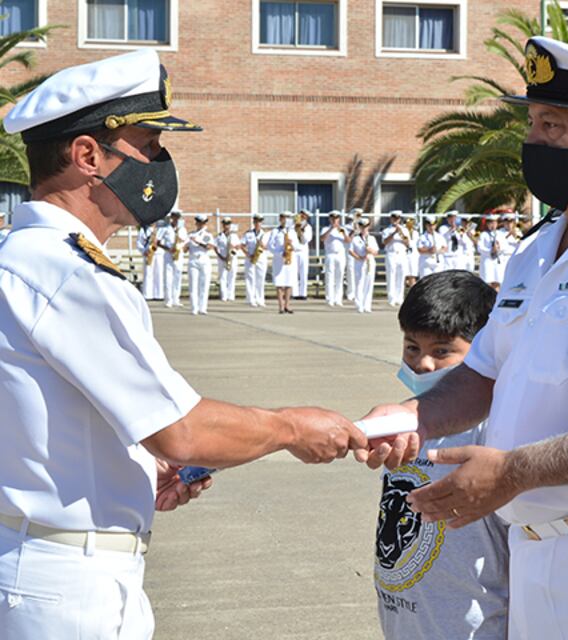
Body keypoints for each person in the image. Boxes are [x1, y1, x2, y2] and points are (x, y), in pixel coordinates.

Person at [0, 49, 369, 639]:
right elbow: (184, 430)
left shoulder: (17, 257)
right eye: (148, 145)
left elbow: (44, 422)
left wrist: (134, 471)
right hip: (69, 585)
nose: (158, 163)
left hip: (31, 558)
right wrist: (292, 428)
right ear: (89, 156)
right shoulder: (72, 275)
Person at [363, 37, 568, 640]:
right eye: (532, 123)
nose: (532, 142)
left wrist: (514, 471)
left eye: (552, 125)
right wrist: (411, 415)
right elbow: (483, 375)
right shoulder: (536, 249)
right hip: (530, 555)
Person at [375, 270, 509, 639]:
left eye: (442, 351)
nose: (423, 364)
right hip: (407, 622)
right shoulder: (406, 421)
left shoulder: (491, 431)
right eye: (412, 347)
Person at [269, 210, 300, 314]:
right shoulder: (275, 231)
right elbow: (270, 246)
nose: (286, 220)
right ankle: (280, 306)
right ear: (280, 219)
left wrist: (291, 245)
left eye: (288, 218)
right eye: (284, 218)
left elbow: (298, 246)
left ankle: (287, 305)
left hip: (290, 259)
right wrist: (279, 253)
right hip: (279, 259)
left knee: (289, 282)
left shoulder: (292, 232)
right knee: (279, 283)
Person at [186, 214, 215, 315]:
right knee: (193, 285)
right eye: (199, 223)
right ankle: (194, 307)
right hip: (193, 260)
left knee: (204, 285)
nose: (201, 225)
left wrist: (198, 242)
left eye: (203, 223)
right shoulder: (190, 235)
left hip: (204, 259)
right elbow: (185, 249)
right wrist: (185, 244)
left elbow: (209, 247)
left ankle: (203, 307)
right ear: (196, 223)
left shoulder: (208, 235)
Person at [159, 209, 188, 308]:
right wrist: (168, 249)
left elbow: (185, 242)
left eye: (178, 218)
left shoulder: (182, 229)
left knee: (177, 277)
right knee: (168, 277)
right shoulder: (165, 228)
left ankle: (176, 299)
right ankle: (168, 300)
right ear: (171, 218)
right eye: (174, 217)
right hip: (168, 254)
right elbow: (158, 242)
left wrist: (182, 246)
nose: (176, 219)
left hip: (179, 255)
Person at [349, 217, 379, 313]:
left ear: (368, 227)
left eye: (365, 226)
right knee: (359, 283)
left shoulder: (372, 238)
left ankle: (367, 305)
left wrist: (371, 250)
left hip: (370, 260)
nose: (364, 228)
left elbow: (376, 252)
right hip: (360, 261)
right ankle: (359, 305)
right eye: (362, 226)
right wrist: (358, 257)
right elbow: (350, 250)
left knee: (369, 283)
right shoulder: (356, 238)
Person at [320, 210, 349, 307]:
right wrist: (331, 229)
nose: (334, 220)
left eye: (336, 218)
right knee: (329, 277)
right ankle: (329, 299)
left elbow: (348, 240)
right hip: (330, 254)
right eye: (333, 219)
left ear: (339, 219)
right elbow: (322, 238)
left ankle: (338, 299)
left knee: (340, 277)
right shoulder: (325, 229)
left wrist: (343, 232)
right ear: (330, 219)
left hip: (340, 255)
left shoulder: (342, 229)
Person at [382, 210, 410, 306]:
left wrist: (402, 234)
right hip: (391, 254)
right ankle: (391, 298)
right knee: (391, 276)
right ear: (391, 219)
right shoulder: (386, 230)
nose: (395, 220)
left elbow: (408, 243)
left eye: (397, 218)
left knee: (401, 276)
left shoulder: (405, 230)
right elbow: (385, 242)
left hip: (402, 254)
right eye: (394, 218)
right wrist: (394, 233)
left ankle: (399, 297)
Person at [243, 213, 268, 307]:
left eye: (260, 222)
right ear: (253, 222)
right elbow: (242, 245)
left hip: (261, 257)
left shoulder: (265, 234)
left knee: (260, 279)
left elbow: (267, 247)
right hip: (250, 257)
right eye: (256, 222)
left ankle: (260, 299)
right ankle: (250, 299)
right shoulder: (248, 233)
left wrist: (261, 244)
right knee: (250, 278)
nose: (258, 224)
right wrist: (248, 254)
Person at [215, 216, 241, 302]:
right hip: (222, 258)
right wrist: (220, 255)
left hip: (232, 257)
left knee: (232, 276)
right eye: (225, 224)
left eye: (228, 224)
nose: (227, 226)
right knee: (223, 277)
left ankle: (231, 295)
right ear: (223, 225)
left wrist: (234, 248)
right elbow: (215, 246)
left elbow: (238, 245)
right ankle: (224, 295)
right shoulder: (219, 236)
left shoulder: (234, 235)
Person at [137, 222, 162, 300]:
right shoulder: (143, 230)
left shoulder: (160, 229)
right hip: (148, 253)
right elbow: (139, 242)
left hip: (159, 253)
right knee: (148, 274)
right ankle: (147, 294)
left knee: (159, 274)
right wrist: (144, 251)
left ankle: (159, 294)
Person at [477, 214, 503, 289]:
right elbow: (480, 248)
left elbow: (505, 247)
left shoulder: (500, 234)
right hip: (488, 261)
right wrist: (490, 251)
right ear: (487, 224)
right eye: (490, 223)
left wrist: (498, 248)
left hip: (497, 261)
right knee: (487, 282)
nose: (493, 225)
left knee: (497, 281)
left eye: (494, 223)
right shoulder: (484, 235)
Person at [294, 209, 314, 300]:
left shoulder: (308, 227)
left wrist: (301, 231)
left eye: (304, 215)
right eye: (301, 214)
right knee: (294, 273)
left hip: (303, 251)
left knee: (303, 273)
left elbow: (306, 240)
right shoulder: (293, 226)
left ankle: (303, 293)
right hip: (294, 251)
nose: (302, 216)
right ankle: (295, 293)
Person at [345, 208, 364, 302]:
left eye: (359, 215)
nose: (358, 218)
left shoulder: (361, 227)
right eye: (357, 215)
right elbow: (348, 239)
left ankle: (359, 293)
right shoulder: (346, 227)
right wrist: (353, 230)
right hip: (350, 251)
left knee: (360, 273)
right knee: (351, 273)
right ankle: (351, 293)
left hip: (360, 252)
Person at [404, 216, 420, 290]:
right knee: (404, 276)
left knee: (413, 275)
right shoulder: (403, 231)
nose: (410, 224)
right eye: (408, 222)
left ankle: (412, 291)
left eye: (411, 222)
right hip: (404, 255)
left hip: (414, 256)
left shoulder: (416, 233)